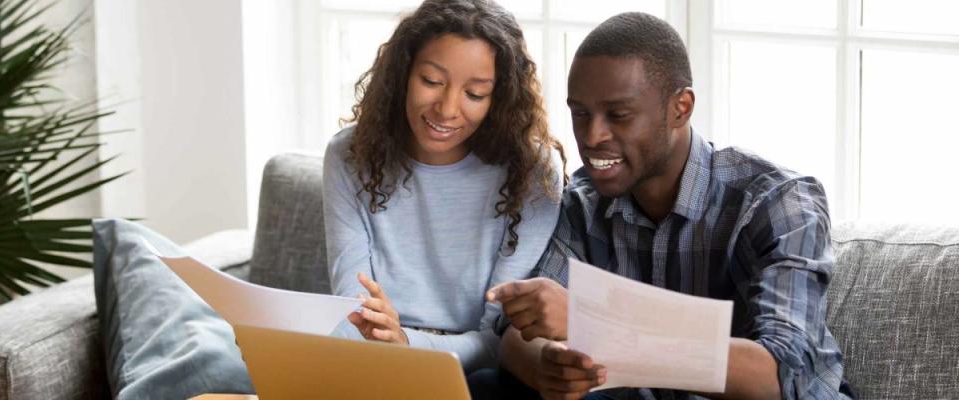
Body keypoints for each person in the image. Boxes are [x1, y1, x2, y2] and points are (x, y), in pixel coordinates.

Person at [475, 12, 855, 400]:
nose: (591, 136)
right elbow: (513, 333)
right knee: (490, 386)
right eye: (580, 114)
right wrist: (549, 364)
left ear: (681, 108)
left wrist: (597, 327)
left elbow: (780, 375)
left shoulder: (777, 202)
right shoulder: (584, 203)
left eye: (618, 115)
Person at [322, 0, 566, 374]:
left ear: (498, 99)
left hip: (473, 372)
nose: (447, 109)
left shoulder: (533, 171)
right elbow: (352, 307)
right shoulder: (350, 154)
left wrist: (405, 343)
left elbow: (499, 337)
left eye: (475, 94)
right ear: (403, 73)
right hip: (370, 359)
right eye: (432, 82)